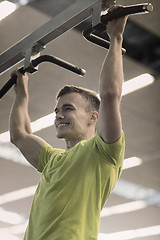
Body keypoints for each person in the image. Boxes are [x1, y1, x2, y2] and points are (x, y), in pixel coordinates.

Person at [10, 5, 127, 240]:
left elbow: (110, 94)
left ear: (94, 116)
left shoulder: (103, 153)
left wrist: (116, 37)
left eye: (68, 109)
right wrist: (21, 92)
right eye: (56, 110)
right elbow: (19, 135)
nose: (58, 115)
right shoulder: (52, 160)